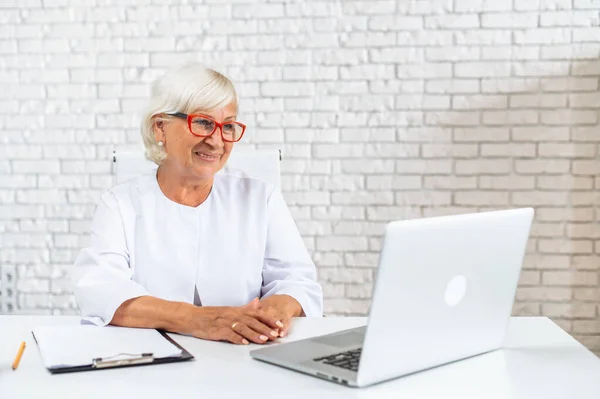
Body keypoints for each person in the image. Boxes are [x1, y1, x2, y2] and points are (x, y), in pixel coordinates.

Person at [71, 63, 323, 345]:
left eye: (227, 126)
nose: (216, 141)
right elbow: (100, 290)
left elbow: (298, 281)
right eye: (203, 122)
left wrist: (270, 315)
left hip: (244, 356)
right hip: (150, 366)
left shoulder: (261, 197)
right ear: (160, 127)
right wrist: (199, 320)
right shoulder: (120, 204)